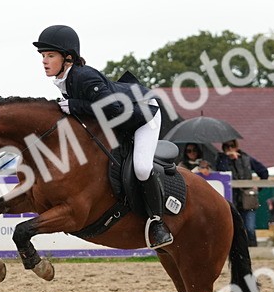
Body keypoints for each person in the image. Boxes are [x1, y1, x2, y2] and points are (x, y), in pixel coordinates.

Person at [34, 24, 172, 249]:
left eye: (50, 55)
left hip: (143, 112)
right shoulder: (65, 80)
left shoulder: (84, 77)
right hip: (120, 118)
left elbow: (115, 109)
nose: (44, 60)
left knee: (141, 167)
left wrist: (76, 105)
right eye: (42, 56)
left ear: (68, 58)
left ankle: (157, 222)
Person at [213, 139, 269, 246]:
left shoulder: (246, 158)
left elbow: (264, 172)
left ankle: (254, 250)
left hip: (247, 199)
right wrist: (227, 158)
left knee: (250, 228)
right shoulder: (220, 159)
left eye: (232, 146)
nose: (230, 149)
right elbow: (220, 171)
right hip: (230, 199)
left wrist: (258, 187)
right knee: (233, 229)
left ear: (236, 146)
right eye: (227, 146)